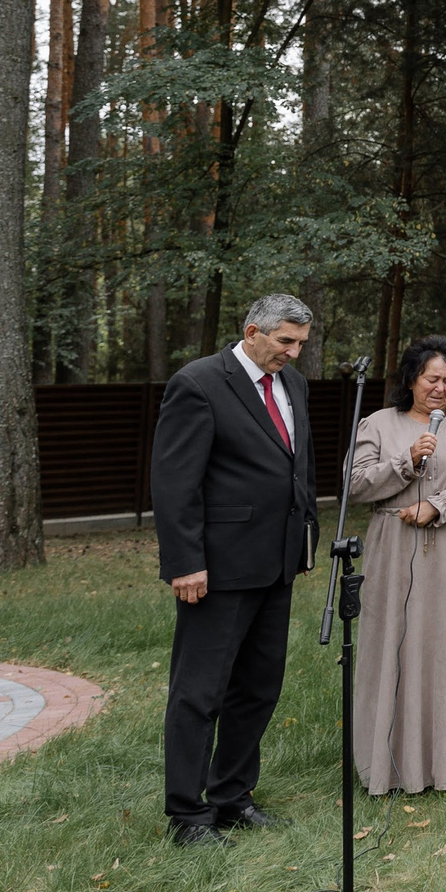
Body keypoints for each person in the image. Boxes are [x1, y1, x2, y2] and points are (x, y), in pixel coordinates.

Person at [152, 294, 318, 846]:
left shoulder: (293, 386)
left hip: (276, 567)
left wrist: (305, 543)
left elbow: (300, 469)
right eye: (285, 341)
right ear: (253, 331)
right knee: (200, 692)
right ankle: (187, 814)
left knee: (258, 688)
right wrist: (185, 562)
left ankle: (232, 798)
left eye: (300, 344)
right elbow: (175, 484)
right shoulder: (199, 384)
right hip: (216, 572)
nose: (293, 354)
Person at [349, 335, 446, 795]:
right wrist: (406, 461)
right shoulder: (378, 423)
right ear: (411, 379)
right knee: (393, 643)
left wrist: (439, 504)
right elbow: (355, 485)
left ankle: (445, 763)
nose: (440, 388)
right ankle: (387, 764)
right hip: (393, 546)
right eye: (431, 378)